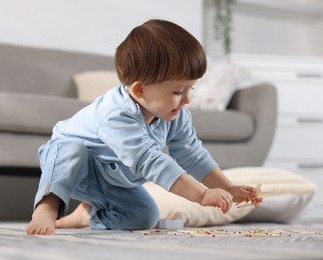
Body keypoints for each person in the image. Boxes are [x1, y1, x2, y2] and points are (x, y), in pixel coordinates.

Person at [26, 19, 260, 235]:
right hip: (74, 169)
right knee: (71, 149)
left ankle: (89, 215)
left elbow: (193, 155)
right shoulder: (116, 115)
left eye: (191, 89)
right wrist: (202, 195)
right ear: (139, 90)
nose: (187, 99)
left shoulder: (176, 115)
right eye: (178, 91)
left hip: (114, 181)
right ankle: (47, 207)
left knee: (145, 217)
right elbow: (150, 161)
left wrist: (229, 189)